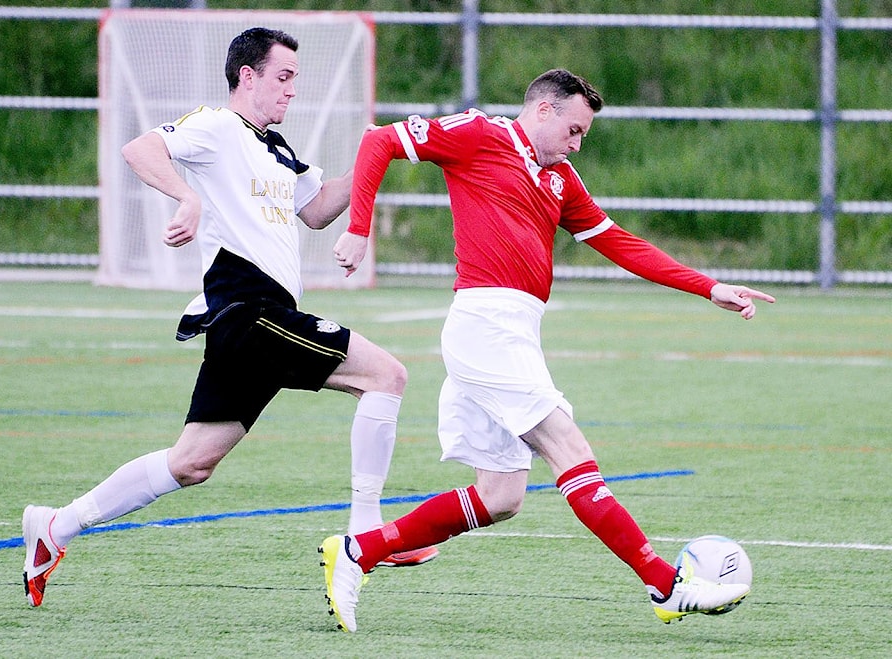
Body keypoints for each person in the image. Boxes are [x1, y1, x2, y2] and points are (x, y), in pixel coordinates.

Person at [319, 69, 775, 633]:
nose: (577, 144)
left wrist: (710, 287)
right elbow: (378, 140)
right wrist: (359, 228)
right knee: (567, 444)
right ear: (542, 111)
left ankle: (358, 551)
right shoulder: (481, 135)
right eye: (575, 130)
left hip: (514, 333)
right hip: (485, 326)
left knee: (501, 496)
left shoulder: (562, 180)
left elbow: (620, 243)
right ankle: (663, 582)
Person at [21, 26, 437, 609]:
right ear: (249, 76)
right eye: (283, 77)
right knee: (386, 375)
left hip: (254, 324)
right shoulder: (217, 126)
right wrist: (185, 197)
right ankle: (367, 535)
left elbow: (317, 210)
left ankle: (56, 524)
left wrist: (376, 154)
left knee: (191, 463)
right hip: (250, 311)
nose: (292, 90)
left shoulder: (277, 148)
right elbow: (141, 149)